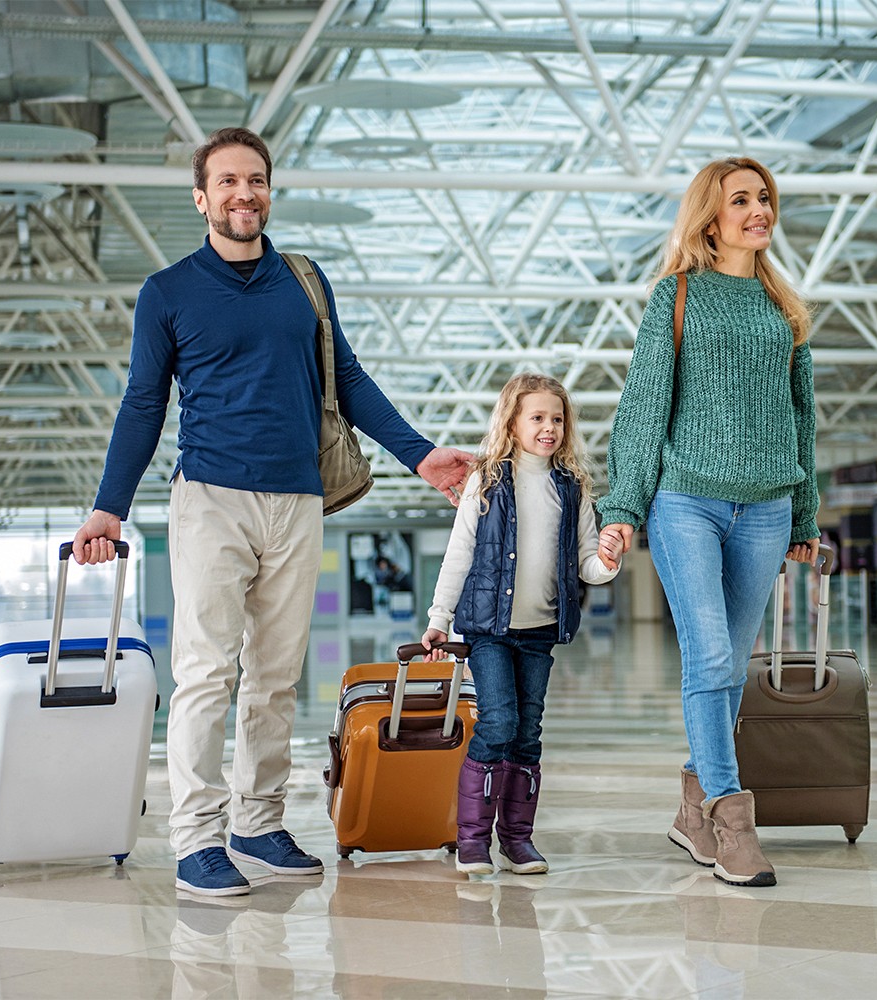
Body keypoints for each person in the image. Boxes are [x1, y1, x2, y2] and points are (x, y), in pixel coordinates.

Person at [71, 127, 471, 897]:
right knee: (205, 674)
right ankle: (195, 839)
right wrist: (107, 508)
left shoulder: (305, 281)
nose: (242, 194)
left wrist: (418, 452)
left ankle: (257, 823)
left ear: (268, 191)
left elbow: (346, 378)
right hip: (211, 500)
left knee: (276, 678)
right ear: (201, 197)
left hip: (299, 500)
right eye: (226, 182)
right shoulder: (168, 292)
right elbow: (142, 404)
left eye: (254, 180)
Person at [597, 156, 819, 889]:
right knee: (712, 660)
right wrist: (624, 508)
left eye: (765, 198)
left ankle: (692, 805)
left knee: (731, 671)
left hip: (766, 506)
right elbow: (643, 407)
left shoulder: (785, 308)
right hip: (685, 501)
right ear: (711, 216)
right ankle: (730, 818)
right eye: (742, 200)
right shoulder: (678, 296)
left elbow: (803, 421)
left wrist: (806, 512)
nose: (759, 211)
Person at [421, 372, 621, 876]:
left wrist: (608, 562)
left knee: (528, 734)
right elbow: (459, 553)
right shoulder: (486, 481)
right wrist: (439, 618)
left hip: (539, 632)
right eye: (537, 417)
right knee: (499, 723)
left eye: (557, 418)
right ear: (512, 423)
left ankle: (517, 840)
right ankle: (472, 841)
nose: (549, 427)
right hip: (487, 629)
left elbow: (586, 562)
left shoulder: (570, 487)